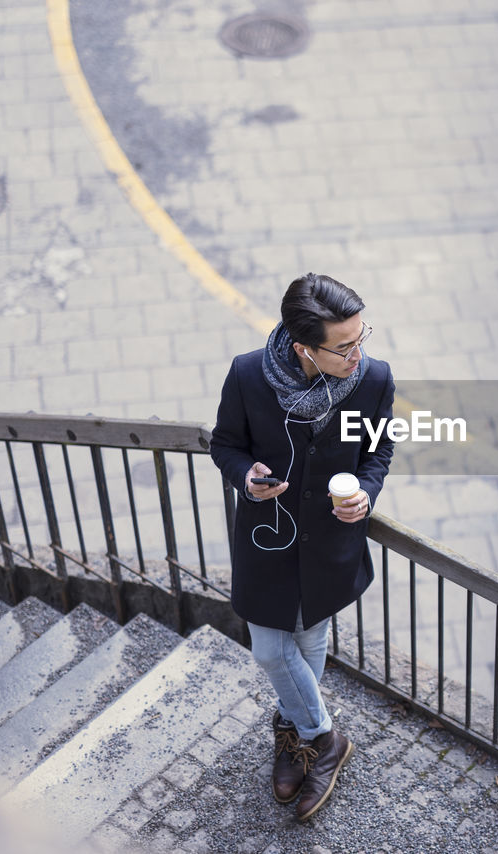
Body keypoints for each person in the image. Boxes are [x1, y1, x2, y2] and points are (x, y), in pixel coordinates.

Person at [209, 273, 395, 820]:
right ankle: (326, 739)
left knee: (310, 641)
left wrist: (364, 494)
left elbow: (377, 454)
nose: (358, 355)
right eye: (344, 347)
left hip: (330, 542)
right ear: (302, 348)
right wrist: (247, 476)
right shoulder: (248, 375)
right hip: (267, 538)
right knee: (270, 649)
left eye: (362, 338)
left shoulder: (373, 379)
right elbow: (224, 445)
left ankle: (292, 737)